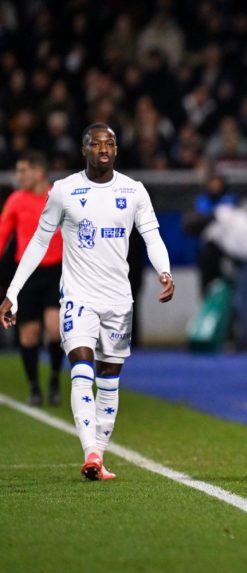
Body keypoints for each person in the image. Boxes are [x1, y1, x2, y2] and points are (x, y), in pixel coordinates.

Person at [0, 123, 175, 481]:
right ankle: (90, 452)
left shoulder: (133, 190)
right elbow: (38, 242)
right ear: (84, 150)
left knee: (109, 381)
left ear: (116, 149)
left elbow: (152, 236)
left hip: (118, 300)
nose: (104, 148)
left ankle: (99, 456)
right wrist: (12, 291)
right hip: (78, 297)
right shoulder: (64, 191)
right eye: (96, 144)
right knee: (82, 367)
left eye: (109, 143)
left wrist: (164, 271)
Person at [0, 151, 65, 406]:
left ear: (39, 172)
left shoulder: (60, 197)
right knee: (29, 333)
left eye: (23, 170)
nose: (19, 176)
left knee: (55, 327)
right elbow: (3, 233)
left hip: (56, 271)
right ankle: (35, 386)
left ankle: (55, 380)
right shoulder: (16, 200)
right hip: (26, 274)